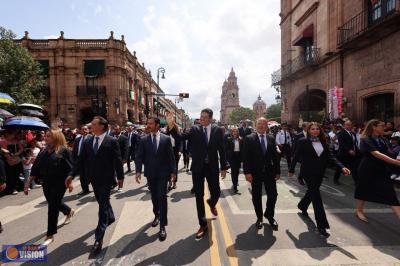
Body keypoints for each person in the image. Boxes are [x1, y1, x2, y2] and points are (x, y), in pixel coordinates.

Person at [67, 116, 124, 255]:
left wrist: (120, 177)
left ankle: (98, 239)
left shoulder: (112, 141)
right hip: (94, 179)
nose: (90, 126)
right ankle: (110, 217)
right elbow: (80, 160)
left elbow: (117, 159)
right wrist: (71, 175)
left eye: (93, 124)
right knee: (102, 201)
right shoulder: (88, 141)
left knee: (102, 206)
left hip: (106, 179)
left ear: (102, 127)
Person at [167, 108, 227, 239]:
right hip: (198, 168)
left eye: (205, 117)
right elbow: (180, 137)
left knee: (216, 192)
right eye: (201, 116)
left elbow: (222, 149)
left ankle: (212, 203)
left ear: (211, 118)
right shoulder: (195, 129)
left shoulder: (217, 130)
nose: (202, 119)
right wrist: (172, 125)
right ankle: (202, 224)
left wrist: (223, 167)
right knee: (198, 196)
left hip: (212, 167)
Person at [289, 122, 350, 237]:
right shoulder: (303, 141)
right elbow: (296, 156)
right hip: (308, 173)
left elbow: (330, 157)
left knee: (312, 192)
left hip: (319, 173)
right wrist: (291, 169)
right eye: (312, 129)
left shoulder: (323, 142)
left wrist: (342, 167)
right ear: (308, 130)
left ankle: (302, 205)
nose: (315, 131)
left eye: (317, 129)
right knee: (317, 197)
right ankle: (322, 225)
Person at [24, 129, 75, 245]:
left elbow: (71, 168)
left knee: (52, 207)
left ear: (56, 137)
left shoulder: (64, 151)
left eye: (48, 136)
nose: (45, 138)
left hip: (60, 183)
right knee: (53, 202)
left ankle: (50, 234)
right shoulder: (43, 152)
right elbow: (35, 168)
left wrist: (70, 181)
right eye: (45, 136)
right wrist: (28, 183)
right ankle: (69, 211)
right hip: (46, 183)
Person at [135, 117, 176, 241]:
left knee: (162, 197)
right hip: (150, 174)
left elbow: (171, 156)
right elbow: (139, 156)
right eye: (147, 124)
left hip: (163, 174)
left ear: (157, 125)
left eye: (151, 124)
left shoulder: (166, 139)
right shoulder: (144, 140)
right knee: (154, 197)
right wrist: (138, 171)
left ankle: (162, 226)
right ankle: (156, 215)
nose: (148, 126)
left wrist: (173, 171)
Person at [355, 119, 400, 222]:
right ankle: (359, 211)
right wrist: (395, 162)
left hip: (381, 170)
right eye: (382, 125)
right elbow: (376, 154)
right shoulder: (365, 139)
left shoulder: (383, 139)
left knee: (391, 194)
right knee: (363, 189)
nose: (384, 127)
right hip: (367, 169)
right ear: (374, 127)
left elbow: (389, 152)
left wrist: (396, 158)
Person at [243, 117, 280, 230]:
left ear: (266, 126)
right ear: (255, 125)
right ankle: (259, 218)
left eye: (264, 124)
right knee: (256, 196)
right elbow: (245, 157)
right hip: (255, 173)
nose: (261, 126)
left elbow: (275, 157)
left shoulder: (271, 138)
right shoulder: (249, 138)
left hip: (269, 172)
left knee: (273, 195)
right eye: (259, 124)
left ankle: (269, 214)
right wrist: (247, 172)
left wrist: (277, 171)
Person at [335, 120, 360, 185]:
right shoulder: (341, 133)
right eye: (347, 124)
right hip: (343, 154)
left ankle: (357, 181)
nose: (349, 126)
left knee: (354, 168)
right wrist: (349, 150)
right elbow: (342, 144)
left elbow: (354, 144)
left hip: (352, 155)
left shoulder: (353, 133)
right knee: (340, 168)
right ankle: (335, 179)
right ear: (344, 126)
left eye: (350, 124)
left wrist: (357, 150)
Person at [0, 129, 24, 195]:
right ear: (7, 134)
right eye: (12, 134)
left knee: (17, 174)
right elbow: (5, 152)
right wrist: (10, 159)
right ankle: (11, 189)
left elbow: (21, 148)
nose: (14, 135)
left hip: (16, 159)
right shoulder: (3, 142)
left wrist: (17, 153)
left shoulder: (16, 140)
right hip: (7, 161)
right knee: (10, 175)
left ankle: (17, 187)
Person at [72, 125, 91, 195]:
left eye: (86, 129)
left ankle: (97, 188)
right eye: (82, 129)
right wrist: (74, 159)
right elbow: (75, 150)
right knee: (82, 176)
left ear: (88, 130)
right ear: (80, 131)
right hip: (80, 161)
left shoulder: (91, 138)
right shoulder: (78, 139)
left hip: (89, 161)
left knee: (90, 175)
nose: (84, 131)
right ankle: (85, 189)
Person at [224, 127, 243, 194]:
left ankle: (235, 181)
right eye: (233, 131)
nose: (235, 132)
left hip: (238, 157)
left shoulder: (241, 139)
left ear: (238, 132)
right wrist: (227, 159)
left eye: (236, 131)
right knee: (233, 171)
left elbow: (242, 149)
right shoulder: (229, 139)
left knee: (237, 172)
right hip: (232, 157)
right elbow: (226, 150)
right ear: (232, 132)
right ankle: (235, 186)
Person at [111, 124, 129, 192]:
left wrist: (124, 159)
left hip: (120, 159)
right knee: (111, 172)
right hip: (111, 159)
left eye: (117, 129)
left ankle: (120, 186)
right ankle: (114, 183)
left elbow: (126, 149)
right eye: (114, 129)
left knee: (120, 173)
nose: (115, 131)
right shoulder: (110, 137)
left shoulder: (124, 138)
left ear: (120, 130)